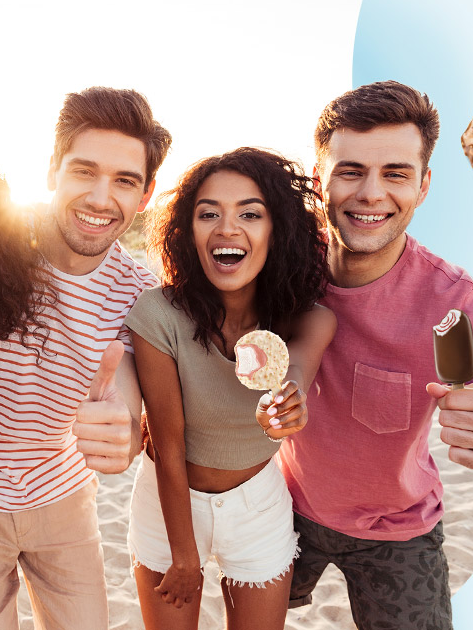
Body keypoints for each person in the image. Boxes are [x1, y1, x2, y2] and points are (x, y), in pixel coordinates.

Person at [278, 81, 473, 630]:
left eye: (396, 173)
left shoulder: (461, 307)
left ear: (423, 186)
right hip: (283, 508)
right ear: (319, 176)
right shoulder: (281, 263)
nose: (371, 193)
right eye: (350, 170)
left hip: (398, 530)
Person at [0, 86, 171, 630]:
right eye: (84, 171)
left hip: (64, 494)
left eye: (125, 181)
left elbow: (124, 397)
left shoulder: (139, 293)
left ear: (146, 195)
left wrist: (125, 431)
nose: (102, 198)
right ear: (53, 170)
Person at [124, 148, 336, 630]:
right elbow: (168, 441)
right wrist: (184, 555)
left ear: (276, 229)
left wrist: (289, 400)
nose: (227, 228)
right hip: (168, 502)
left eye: (250, 214)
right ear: (188, 231)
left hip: (257, 504)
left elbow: (298, 366)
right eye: (208, 214)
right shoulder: (159, 315)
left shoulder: (308, 316)